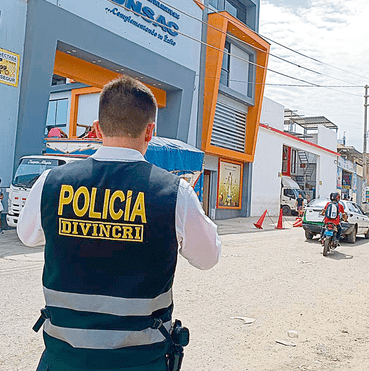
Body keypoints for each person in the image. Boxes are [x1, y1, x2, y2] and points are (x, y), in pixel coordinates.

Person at [17, 76, 221, 371]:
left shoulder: (51, 182)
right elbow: (208, 258)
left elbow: (28, 236)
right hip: (141, 361)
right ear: (150, 131)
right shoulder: (174, 193)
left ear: (97, 128)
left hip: (65, 359)